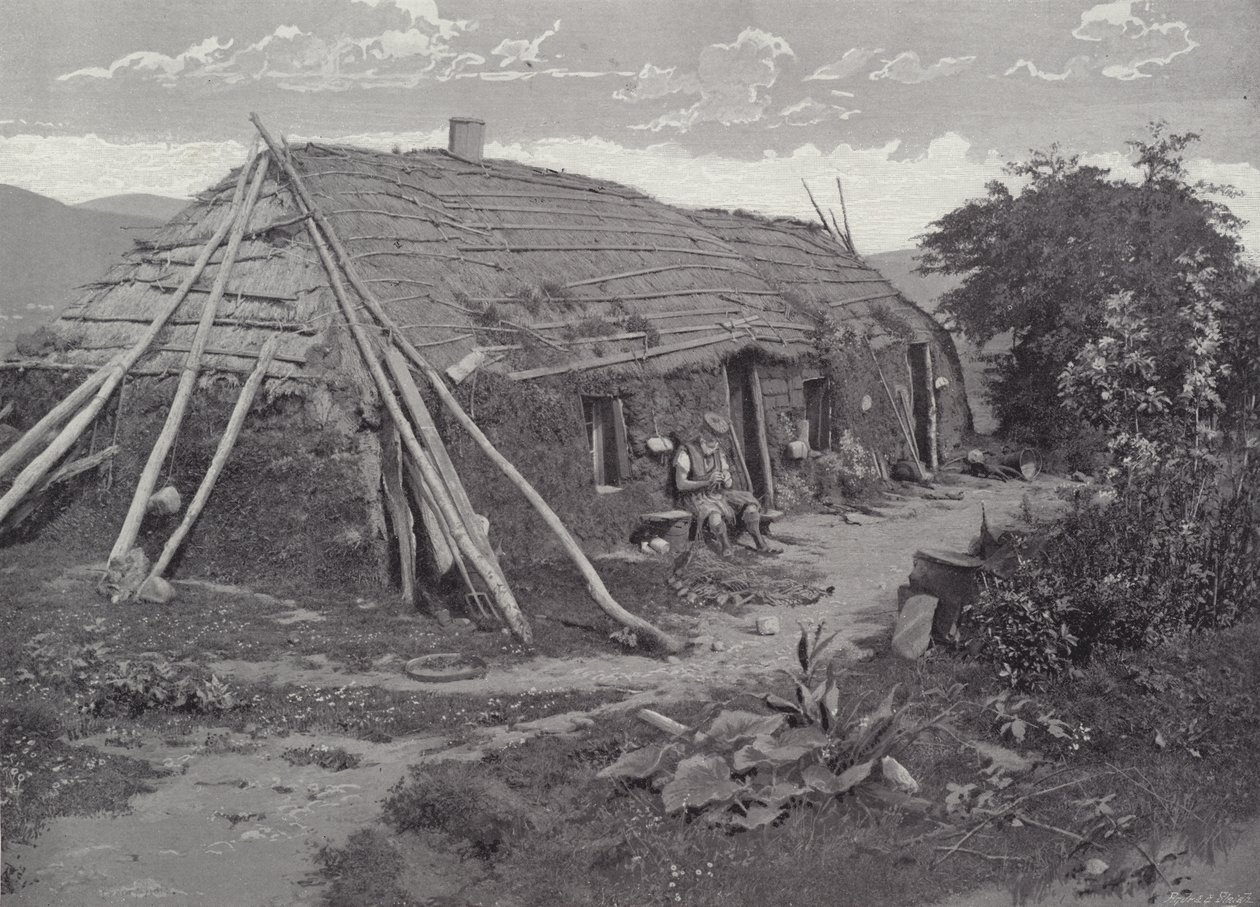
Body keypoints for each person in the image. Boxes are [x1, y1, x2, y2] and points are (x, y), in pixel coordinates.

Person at [673, 412, 779, 556]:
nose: (715, 443)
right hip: (695, 496)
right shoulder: (687, 451)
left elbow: (727, 482)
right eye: (711, 438)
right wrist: (706, 482)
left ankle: (760, 543)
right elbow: (681, 484)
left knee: (750, 506)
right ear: (702, 434)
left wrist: (726, 479)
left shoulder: (717, 450)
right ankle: (726, 547)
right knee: (714, 515)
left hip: (718, 494)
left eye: (716, 439)